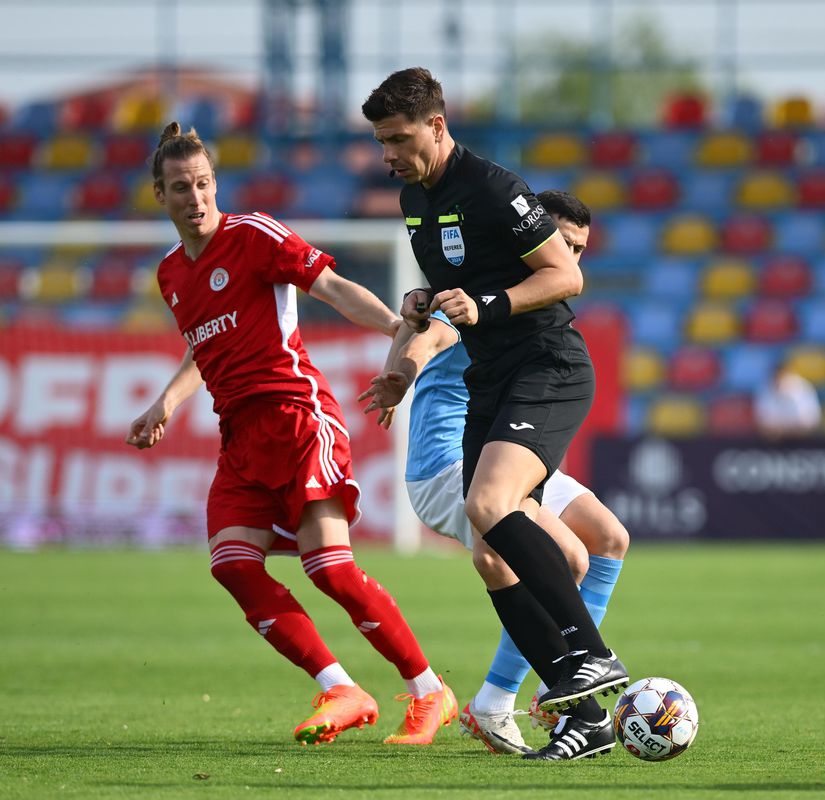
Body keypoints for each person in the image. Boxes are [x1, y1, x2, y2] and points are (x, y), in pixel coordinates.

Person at [125, 122, 456, 747]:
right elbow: (207, 347)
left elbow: (330, 288)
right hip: (241, 438)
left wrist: (394, 329)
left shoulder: (254, 235)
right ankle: (341, 687)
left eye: (201, 184)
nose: (193, 199)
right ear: (159, 196)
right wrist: (163, 402)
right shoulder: (173, 274)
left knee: (329, 570)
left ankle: (428, 689)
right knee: (232, 566)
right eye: (178, 188)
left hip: (299, 418)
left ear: (214, 184)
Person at [361, 67, 628, 762]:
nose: (387, 153)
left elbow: (566, 276)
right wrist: (420, 316)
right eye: (381, 141)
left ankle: (590, 656)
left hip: (546, 367)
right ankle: (585, 711)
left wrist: (486, 307)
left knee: (495, 506)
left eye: (397, 138)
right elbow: (447, 291)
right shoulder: (414, 201)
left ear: (437, 126)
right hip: (492, 380)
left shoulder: (492, 187)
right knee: (492, 543)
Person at [754, 361, 822, 439]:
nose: (779, 381)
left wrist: (785, 428)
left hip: (804, 441)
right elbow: (764, 425)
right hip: (774, 443)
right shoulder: (764, 389)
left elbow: (811, 422)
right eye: (777, 377)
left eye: (782, 376)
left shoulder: (803, 388)